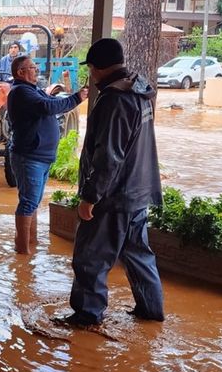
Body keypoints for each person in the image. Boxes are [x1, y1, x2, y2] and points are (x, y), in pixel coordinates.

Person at [58, 38, 165, 326]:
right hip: (138, 193)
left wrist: (90, 197)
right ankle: (151, 312)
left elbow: (109, 155)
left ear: (99, 67)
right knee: (139, 256)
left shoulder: (114, 99)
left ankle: (87, 316)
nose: (91, 74)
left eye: (92, 68)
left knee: (90, 258)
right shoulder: (138, 90)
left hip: (114, 196)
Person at [7, 55, 88, 254]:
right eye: (32, 67)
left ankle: (30, 243)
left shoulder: (32, 90)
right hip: (30, 157)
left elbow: (52, 101)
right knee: (29, 202)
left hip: (39, 157)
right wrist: (77, 98)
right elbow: (48, 107)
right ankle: (22, 251)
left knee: (32, 201)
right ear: (21, 72)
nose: (36, 70)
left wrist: (73, 96)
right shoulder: (21, 92)